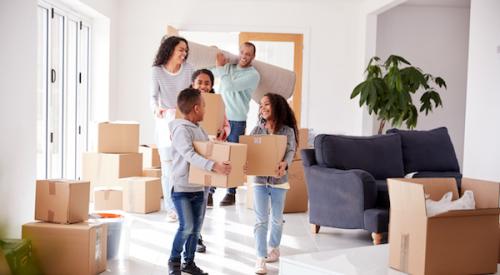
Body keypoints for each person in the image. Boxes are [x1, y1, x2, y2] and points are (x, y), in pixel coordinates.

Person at [168, 88, 231, 275]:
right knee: (186, 226)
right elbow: (189, 155)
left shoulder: (199, 130)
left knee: (196, 230)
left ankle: (189, 263)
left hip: (199, 188)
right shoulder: (180, 130)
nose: (205, 109)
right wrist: (213, 166)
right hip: (182, 189)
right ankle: (174, 261)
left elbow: (205, 149)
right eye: (203, 105)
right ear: (196, 108)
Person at [251, 93, 298, 274]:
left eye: (266, 104)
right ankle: (260, 257)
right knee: (261, 220)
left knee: (277, 218)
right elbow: (249, 151)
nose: (262, 108)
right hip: (260, 181)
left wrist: (284, 164)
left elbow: (291, 151)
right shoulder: (257, 130)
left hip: (279, 180)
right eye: (261, 105)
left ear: (277, 106)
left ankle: (274, 247)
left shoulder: (287, 131)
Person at [210, 42, 261, 206]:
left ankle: (231, 193)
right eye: (242, 52)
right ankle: (210, 192)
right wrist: (213, 56)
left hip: (236, 119)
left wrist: (220, 67)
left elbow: (229, 85)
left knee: (232, 157)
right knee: (215, 154)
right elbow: (211, 72)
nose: (244, 56)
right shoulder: (229, 68)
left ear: (253, 57)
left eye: (248, 54)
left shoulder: (253, 75)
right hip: (219, 116)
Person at [150, 35, 194, 222]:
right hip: (165, 121)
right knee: (168, 168)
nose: (184, 54)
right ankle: (171, 209)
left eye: (186, 50)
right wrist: (156, 108)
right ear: (170, 50)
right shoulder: (157, 71)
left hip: (184, 122)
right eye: (180, 50)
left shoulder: (189, 70)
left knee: (184, 167)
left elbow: (193, 95)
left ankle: (184, 205)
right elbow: (152, 96)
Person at [190, 69, 230, 253]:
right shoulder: (185, 101)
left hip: (209, 154)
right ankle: (188, 234)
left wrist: (223, 132)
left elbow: (225, 125)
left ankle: (197, 235)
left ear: (212, 85)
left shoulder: (217, 103)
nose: (203, 86)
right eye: (200, 82)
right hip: (190, 155)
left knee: (202, 198)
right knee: (187, 199)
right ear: (193, 84)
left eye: (207, 82)